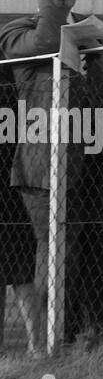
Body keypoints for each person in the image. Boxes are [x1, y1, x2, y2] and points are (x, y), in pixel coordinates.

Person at [0, 0, 103, 344]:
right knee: (53, 248)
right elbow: (48, 42)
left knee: (97, 253)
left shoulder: (92, 29)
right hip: (43, 160)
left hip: (95, 158)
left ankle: (90, 336)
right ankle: (50, 341)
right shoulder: (18, 30)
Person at [0, 68, 40, 355]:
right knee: (22, 273)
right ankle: (37, 346)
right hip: (16, 186)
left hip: (13, 189)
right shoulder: (17, 88)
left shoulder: (13, 89)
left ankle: (36, 345)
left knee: (22, 273)